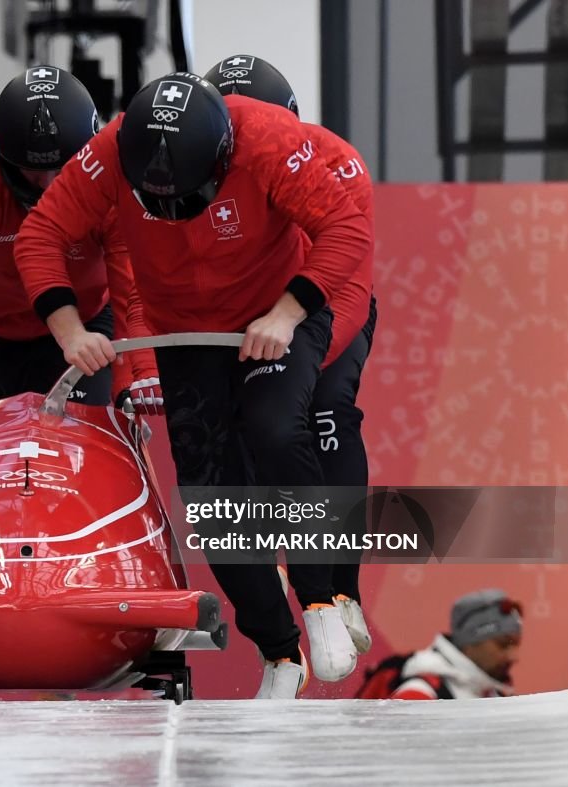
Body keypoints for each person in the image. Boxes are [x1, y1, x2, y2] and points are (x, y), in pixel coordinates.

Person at [14, 71, 372, 698]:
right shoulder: (109, 152)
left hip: (275, 312)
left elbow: (347, 232)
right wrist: (70, 330)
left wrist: (286, 315)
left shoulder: (267, 142)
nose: (175, 212)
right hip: (186, 330)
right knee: (209, 490)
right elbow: (40, 235)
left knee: (275, 426)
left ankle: (321, 599)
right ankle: (278, 651)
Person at [203, 55, 376, 655]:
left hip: (323, 308)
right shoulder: (202, 168)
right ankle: (271, 584)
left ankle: (341, 587)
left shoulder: (338, 162)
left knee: (322, 413)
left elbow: (349, 280)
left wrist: (293, 368)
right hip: (249, 317)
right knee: (238, 432)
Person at [0, 65, 158, 408]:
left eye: (65, 168)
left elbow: (132, 292)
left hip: (85, 328)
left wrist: (133, 379)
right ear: (5, 160)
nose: (51, 184)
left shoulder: (110, 184)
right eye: (35, 171)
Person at [357, 589, 522, 699]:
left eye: (516, 644)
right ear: (470, 643)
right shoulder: (419, 695)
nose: (514, 656)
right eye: (503, 644)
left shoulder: (491, 694)